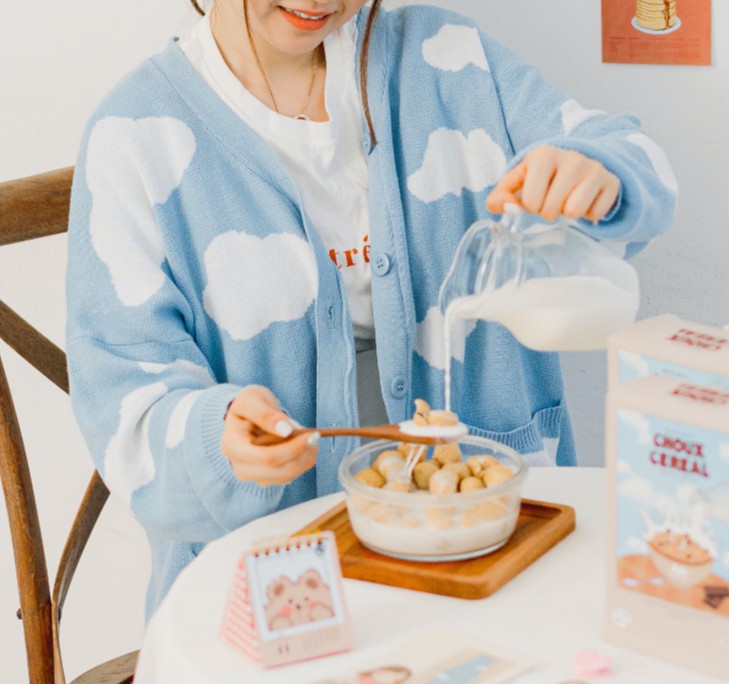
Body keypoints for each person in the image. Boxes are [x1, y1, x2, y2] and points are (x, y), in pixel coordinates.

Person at [66, 0, 677, 619]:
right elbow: (126, 403)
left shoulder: (445, 56)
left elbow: (625, 152)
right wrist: (215, 435)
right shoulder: (137, 136)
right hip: (279, 593)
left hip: (496, 554)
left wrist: (599, 175)